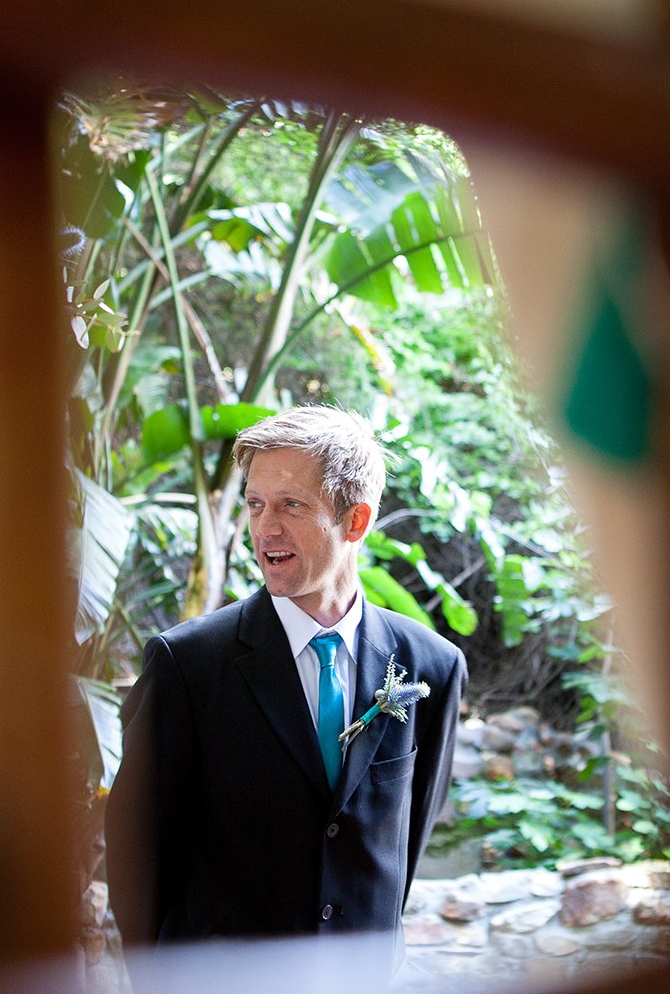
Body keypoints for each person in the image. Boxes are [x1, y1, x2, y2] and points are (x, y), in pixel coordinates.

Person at [105, 405, 467, 970]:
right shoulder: (186, 666)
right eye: (256, 504)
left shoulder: (432, 669)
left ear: (355, 522)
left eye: (291, 505)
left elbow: (408, 841)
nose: (265, 528)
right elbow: (137, 857)